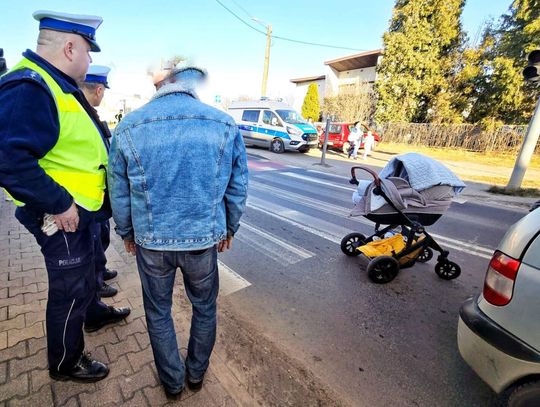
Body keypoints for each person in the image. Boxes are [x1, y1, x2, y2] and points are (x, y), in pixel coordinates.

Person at [108, 66, 249, 397]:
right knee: (204, 308)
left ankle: (172, 384)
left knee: (158, 313)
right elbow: (237, 185)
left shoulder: (129, 125)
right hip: (202, 242)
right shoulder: (223, 124)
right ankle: (196, 375)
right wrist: (229, 227)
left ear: (159, 84)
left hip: (152, 244)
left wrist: (127, 232)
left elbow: (119, 189)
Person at [0, 10, 112, 382]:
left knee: (84, 282)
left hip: (81, 212)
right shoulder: (30, 85)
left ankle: (92, 314)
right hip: (61, 217)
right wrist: (60, 203)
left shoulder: (53, 83)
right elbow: (9, 159)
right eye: (88, 50)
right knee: (70, 289)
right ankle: (65, 362)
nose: (91, 60)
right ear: (69, 47)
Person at [78, 65, 131, 332]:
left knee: (95, 252)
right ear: (98, 90)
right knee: (89, 257)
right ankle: (93, 310)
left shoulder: (83, 112)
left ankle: (95, 299)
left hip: (90, 202)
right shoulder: (81, 114)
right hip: (85, 204)